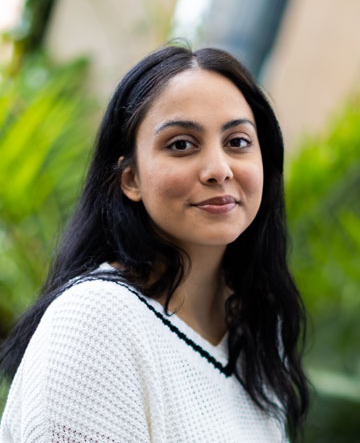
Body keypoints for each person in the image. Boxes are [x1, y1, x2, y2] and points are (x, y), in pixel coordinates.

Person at [0, 44, 309, 442]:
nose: (219, 169)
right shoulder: (96, 321)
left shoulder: (256, 330)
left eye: (237, 142)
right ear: (130, 179)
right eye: (181, 144)